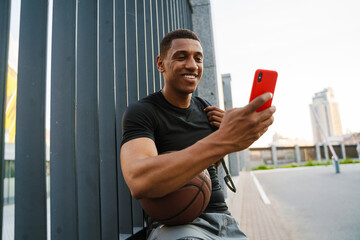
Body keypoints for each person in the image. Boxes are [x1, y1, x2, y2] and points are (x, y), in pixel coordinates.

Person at [120, 29, 275, 239]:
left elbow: (208, 166)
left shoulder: (206, 109)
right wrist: (223, 139)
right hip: (179, 226)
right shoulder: (142, 112)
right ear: (160, 63)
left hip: (224, 219)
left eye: (198, 58)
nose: (192, 65)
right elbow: (139, 181)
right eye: (181, 57)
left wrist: (227, 139)